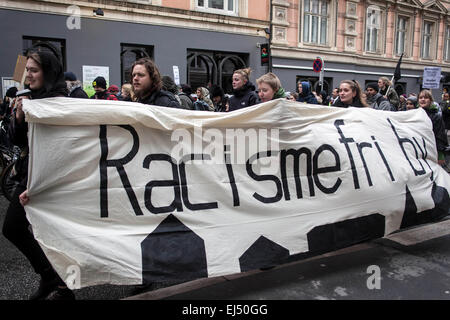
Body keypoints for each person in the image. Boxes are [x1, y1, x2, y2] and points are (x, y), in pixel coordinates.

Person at [2, 50, 75, 300]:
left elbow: (58, 149)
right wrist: (20, 117)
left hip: (45, 179)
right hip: (30, 174)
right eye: (27, 70)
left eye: (34, 70)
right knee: (39, 232)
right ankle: (54, 281)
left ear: (48, 73)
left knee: (16, 227)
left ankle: (56, 281)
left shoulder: (60, 105)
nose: (28, 75)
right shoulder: (31, 99)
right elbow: (17, 142)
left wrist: (35, 186)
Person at [418, 89, 448, 165]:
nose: (423, 100)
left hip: (431, 150)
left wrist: (440, 155)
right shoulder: (415, 114)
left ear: (431, 100)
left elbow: (440, 135)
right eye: (421, 98)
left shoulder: (436, 116)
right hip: (418, 149)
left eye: (426, 97)